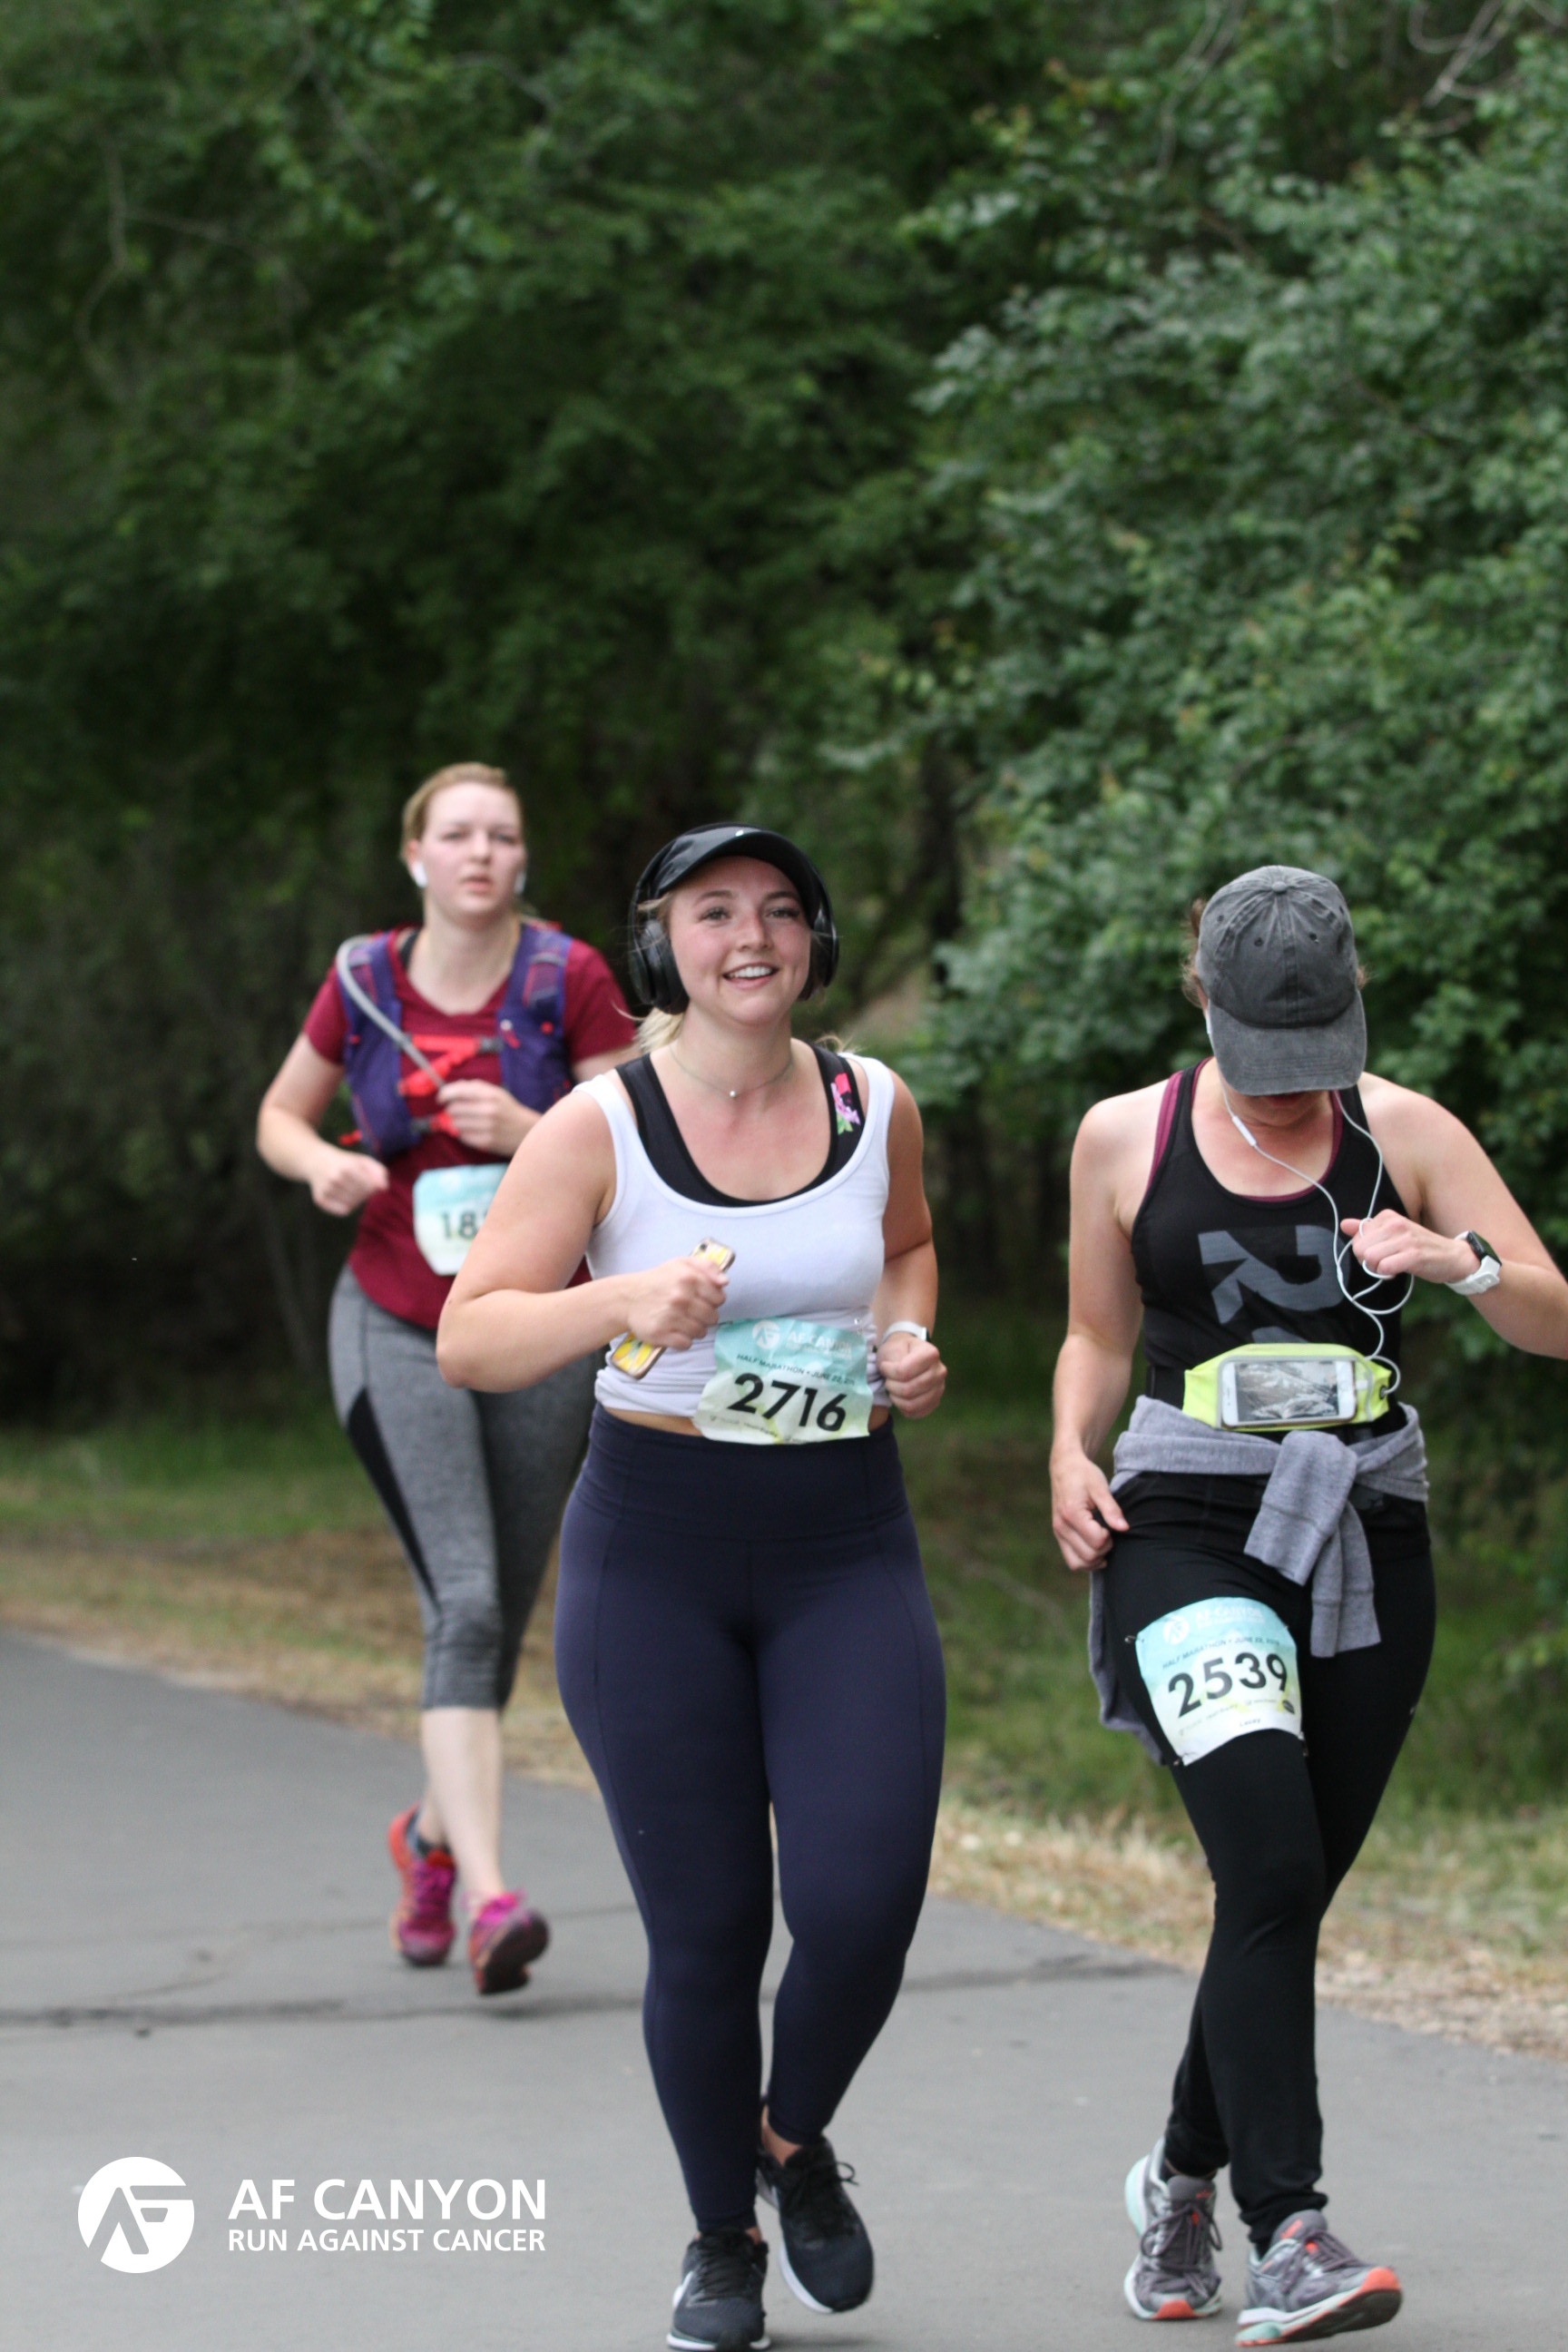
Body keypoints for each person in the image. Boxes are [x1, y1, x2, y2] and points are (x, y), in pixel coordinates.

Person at [438, 823, 948, 2352]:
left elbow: (908, 1247)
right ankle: (721, 2235)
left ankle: (789, 2139)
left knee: (862, 1903)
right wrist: (620, 1300)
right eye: (715, 912)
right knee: (712, 1928)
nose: (753, 938)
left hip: (845, 1542)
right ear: (664, 945)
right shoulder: (597, 1125)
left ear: (815, 942)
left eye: (781, 910)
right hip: (653, 1554)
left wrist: (907, 1341)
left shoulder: (873, 1102)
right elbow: (475, 1335)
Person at [1050, 866, 1568, 2345]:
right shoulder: (1124, 1137)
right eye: (1261, 1057)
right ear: (1201, 996)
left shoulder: (1408, 1132)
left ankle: (1180, 2180)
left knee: (1283, 1889)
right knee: (1271, 1864)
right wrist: (1066, 1450)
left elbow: (1554, 1316)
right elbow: (1097, 1334)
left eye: (1313, 1056)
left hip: (1363, 1525)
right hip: (1187, 1525)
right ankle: (1291, 2231)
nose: (1288, 1091)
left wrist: (1461, 1264)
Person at [257, 762, 632, 1996]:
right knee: (464, 1606)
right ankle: (490, 1897)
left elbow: (643, 1138)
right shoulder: (365, 978)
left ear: (522, 859)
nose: (480, 852)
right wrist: (320, 1164)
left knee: (494, 1617)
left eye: (502, 836)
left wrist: (532, 1135)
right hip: (397, 1323)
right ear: (415, 855)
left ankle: (425, 1841)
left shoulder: (567, 978)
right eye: (457, 834)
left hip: (531, 1329)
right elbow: (279, 1117)